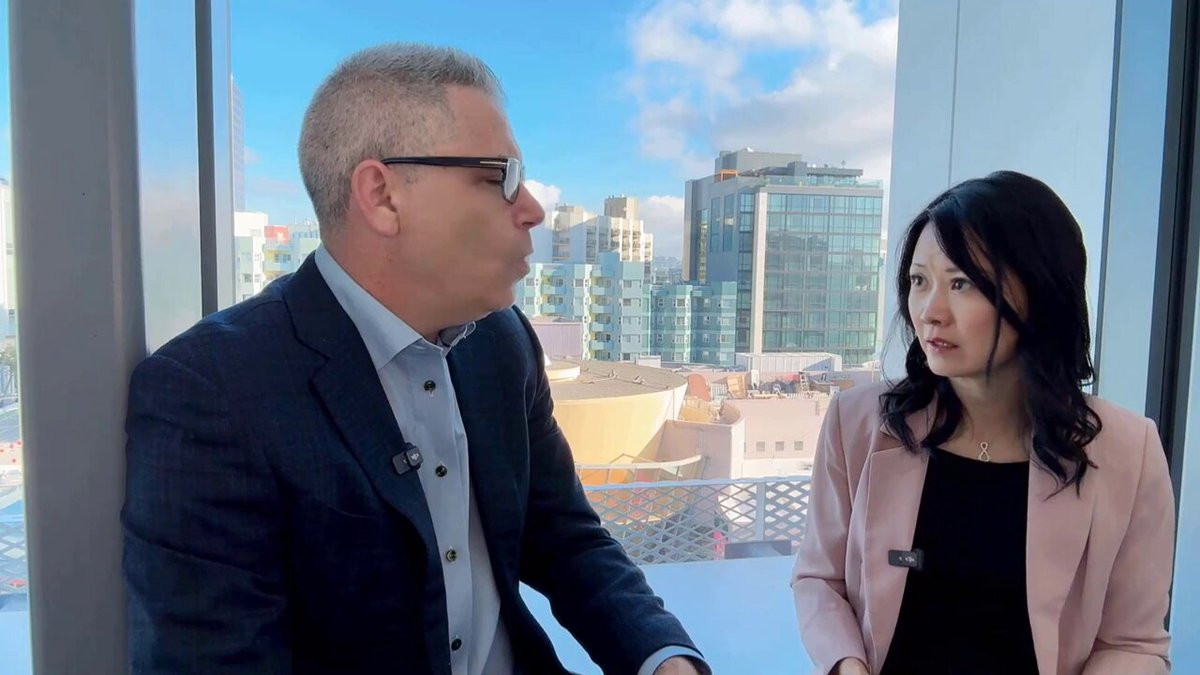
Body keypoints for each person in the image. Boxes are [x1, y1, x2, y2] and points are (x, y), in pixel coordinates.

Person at [122, 43, 708, 675]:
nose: (533, 210)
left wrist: (663, 658)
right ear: (382, 195)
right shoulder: (212, 390)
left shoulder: (502, 340)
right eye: (500, 176)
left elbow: (563, 533)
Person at [790, 170, 1175, 675]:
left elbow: (1133, 644)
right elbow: (819, 580)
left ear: (1038, 292)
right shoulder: (858, 422)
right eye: (919, 281)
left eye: (961, 283)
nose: (930, 312)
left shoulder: (1128, 450)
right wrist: (847, 666)